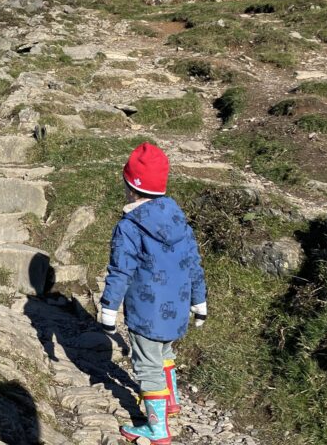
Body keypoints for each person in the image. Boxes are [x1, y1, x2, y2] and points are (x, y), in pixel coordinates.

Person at [99, 142, 207, 445]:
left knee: (147, 367)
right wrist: (200, 301)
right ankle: (171, 402)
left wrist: (109, 309)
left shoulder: (129, 226)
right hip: (178, 307)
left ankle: (157, 429)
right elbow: (193, 264)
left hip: (146, 313)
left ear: (130, 185)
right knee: (165, 352)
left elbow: (121, 270)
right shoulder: (178, 219)